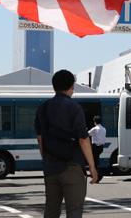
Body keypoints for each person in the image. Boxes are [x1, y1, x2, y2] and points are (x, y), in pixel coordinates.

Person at [35, 70, 98, 218]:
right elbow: (83, 139)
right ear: (71, 86)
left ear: (54, 86)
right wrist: (92, 167)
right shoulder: (74, 107)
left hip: (50, 168)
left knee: (51, 211)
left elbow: (40, 138)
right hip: (71, 166)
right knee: (74, 211)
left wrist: (46, 160)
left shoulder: (42, 108)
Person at [88, 116, 106, 181]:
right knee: (96, 161)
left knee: (94, 163)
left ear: (95, 122)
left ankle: (98, 176)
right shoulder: (104, 129)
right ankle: (97, 176)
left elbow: (87, 134)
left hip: (95, 147)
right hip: (101, 147)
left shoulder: (95, 129)